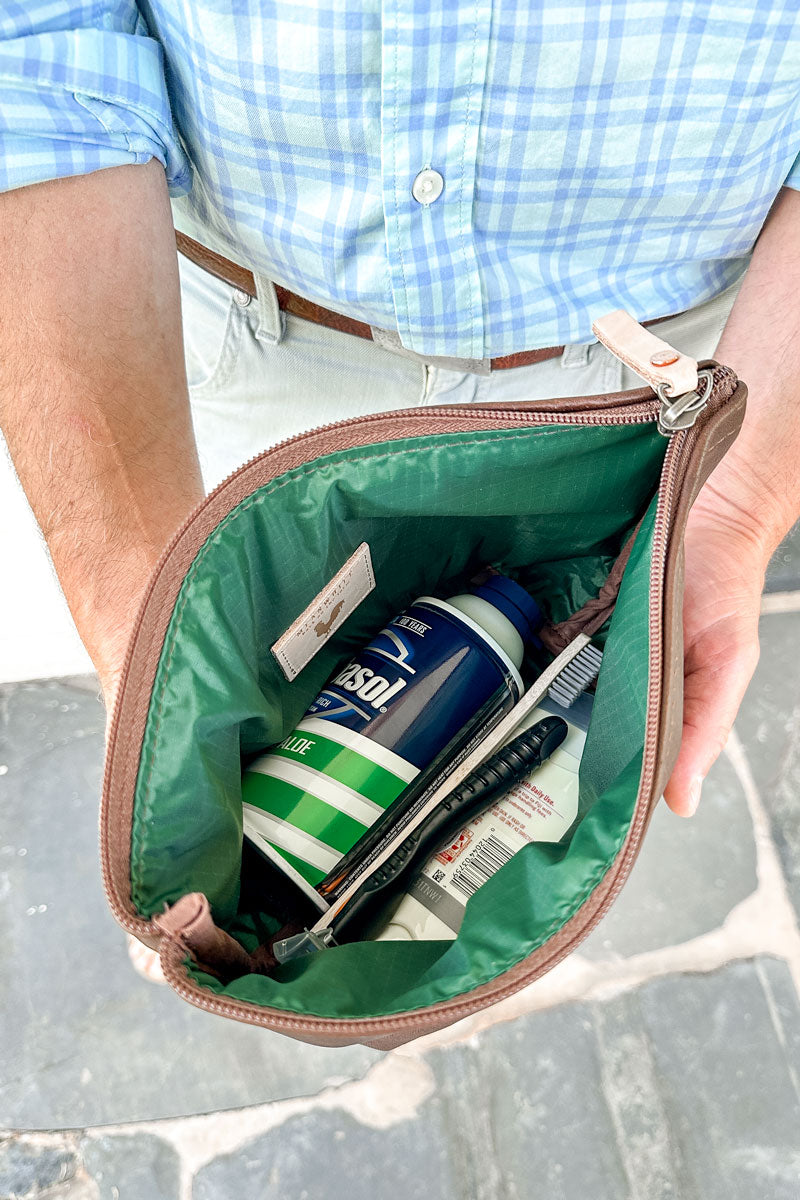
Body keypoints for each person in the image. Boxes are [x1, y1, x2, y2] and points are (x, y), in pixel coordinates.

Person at [1, 0, 799, 829]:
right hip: (237, 336)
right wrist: (134, 600)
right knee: (196, 700)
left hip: (652, 387)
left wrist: (737, 510)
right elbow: (36, 61)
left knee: (531, 788)